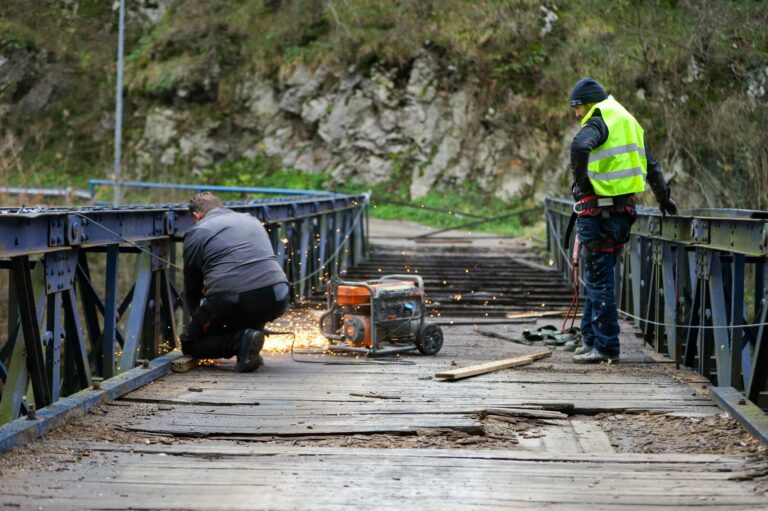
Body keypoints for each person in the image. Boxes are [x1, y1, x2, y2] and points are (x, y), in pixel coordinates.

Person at [568, 77, 677, 364]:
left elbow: (580, 147)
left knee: (600, 279)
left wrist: (582, 183)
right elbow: (651, 166)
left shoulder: (599, 119)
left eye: (576, 108)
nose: (576, 114)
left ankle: (606, 347)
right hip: (621, 215)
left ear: (587, 102)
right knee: (598, 275)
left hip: (598, 214)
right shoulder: (628, 121)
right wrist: (664, 199)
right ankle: (590, 338)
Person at [180, 192, 290, 372]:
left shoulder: (198, 231)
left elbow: (192, 283)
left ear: (196, 216)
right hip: (279, 296)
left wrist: (198, 319)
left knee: (190, 344)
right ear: (220, 207)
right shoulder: (252, 220)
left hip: (236, 300)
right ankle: (251, 341)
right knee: (242, 310)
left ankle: (240, 342)